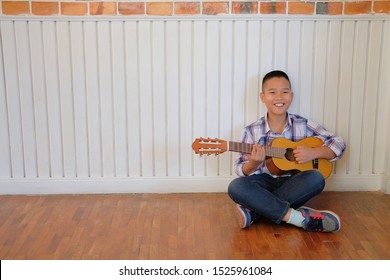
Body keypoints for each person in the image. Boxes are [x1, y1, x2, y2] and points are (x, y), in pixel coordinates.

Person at [227, 70, 346, 232]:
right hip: (262, 184)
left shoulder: (303, 124)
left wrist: (314, 153)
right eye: (272, 92)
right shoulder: (250, 131)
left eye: (284, 92)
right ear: (262, 97)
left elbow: (338, 143)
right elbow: (241, 170)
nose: (279, 97)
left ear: (291, 95)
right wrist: (254, 163)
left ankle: (255, 210)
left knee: (316, 177)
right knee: (236, 187)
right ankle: (299, 219)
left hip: (294, 184)